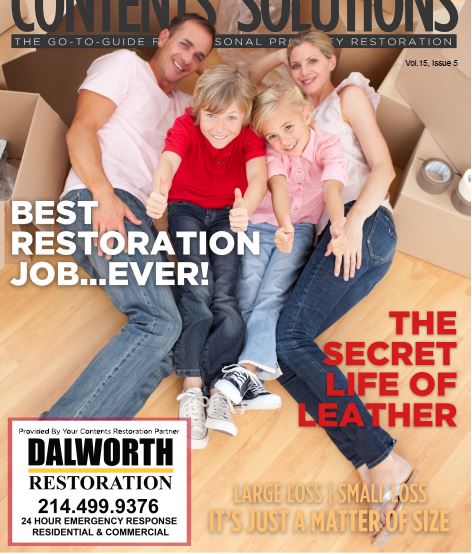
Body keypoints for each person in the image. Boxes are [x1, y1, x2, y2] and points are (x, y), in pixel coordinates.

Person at [251, 31, 416, 546]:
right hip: (334, 235)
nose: (302, 71)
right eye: (295, 64)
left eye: (312, 61)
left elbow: (385, 167)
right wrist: (281, 55)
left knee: (289, 341)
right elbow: (252, 83)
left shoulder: (347, 97)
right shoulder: (293, 117)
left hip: (364, 226)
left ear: (332, 61)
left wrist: (350, 225)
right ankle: (371, 460)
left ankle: (385, 458)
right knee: (280, 349)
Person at [42, 14, 214, 419]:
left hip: (140, 219)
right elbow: (80, 130)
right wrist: (103, 196)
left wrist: (277, 57)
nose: (189, 58)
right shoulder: (125, 65)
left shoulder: (185, 108)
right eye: (185, 44)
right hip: (101, 198)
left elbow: (238, 100)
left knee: (177, 337)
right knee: (158, 322)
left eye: (200, 55)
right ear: (164, 37)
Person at [146, 64, 267, 449]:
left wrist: (245, 208)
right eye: (212, 116)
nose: (219, 127)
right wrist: (160, 189)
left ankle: (217, 392)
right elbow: (168, 161)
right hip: (186, 209)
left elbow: (259, 177)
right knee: (195, 288)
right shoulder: (185, 126)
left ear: (245, 116)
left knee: (226, 300)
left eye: (231, 117)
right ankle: (192, 386)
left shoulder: (248, 137)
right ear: (198, 111)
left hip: (229, 217)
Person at [215, 82, 348, 410]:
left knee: (272, 294)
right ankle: (247, 382)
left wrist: (340, 226)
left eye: (287, 128)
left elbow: (332, 189)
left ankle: (245, 372)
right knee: (246, 294)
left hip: (300, 230)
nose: (283, 141)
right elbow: (277, 186)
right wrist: (281, 221)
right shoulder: (272, 152)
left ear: (306, 114)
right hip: (264, 224)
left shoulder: (329, 146)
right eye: (272, 135)